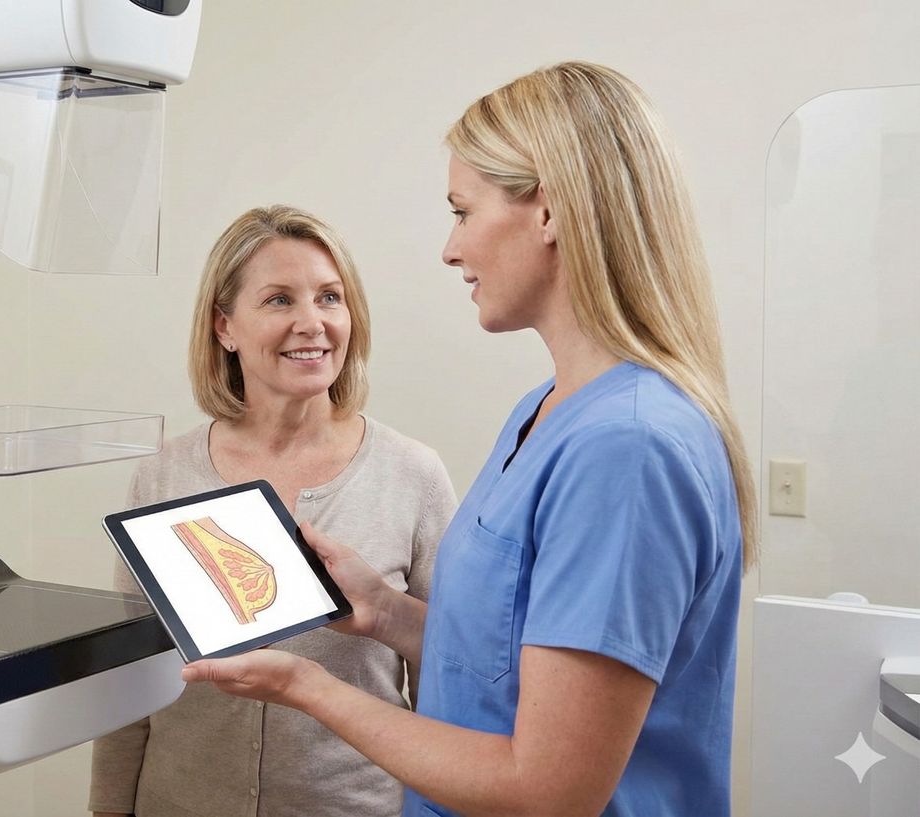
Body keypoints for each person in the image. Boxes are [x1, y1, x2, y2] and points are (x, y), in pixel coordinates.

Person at [180, 62, 758, 817]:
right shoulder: (547, 410)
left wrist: (305, 684)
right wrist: (386, 613)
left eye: (463, 210)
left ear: (547, 212)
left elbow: (546, 789)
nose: (451, 250)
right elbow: (520, 668)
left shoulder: (627, 449)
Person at [89, 205, 458, 817]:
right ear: (224, 326)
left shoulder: (412, 473)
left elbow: (447, 672)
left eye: (330, 298)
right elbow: (131, 672)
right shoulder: (165, 474)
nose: (312, 323)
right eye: (280, 300)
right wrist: (109, 809)